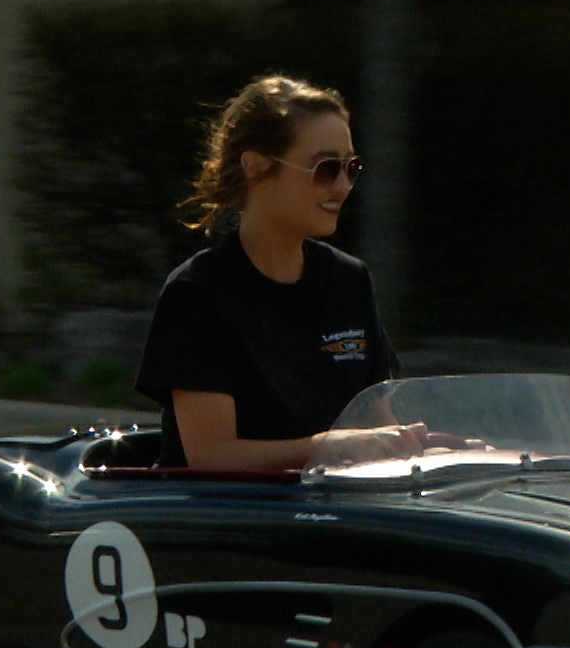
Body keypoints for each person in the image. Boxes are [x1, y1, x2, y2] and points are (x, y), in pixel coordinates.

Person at [134, 75, 422, 470]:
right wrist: (330, 446)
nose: (343, 186)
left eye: (351, 168)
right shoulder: (196, 293)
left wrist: (429, 447)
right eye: (325, 169)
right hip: (228, 508)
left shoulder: (350, 280)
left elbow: (379, 427)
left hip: (334, 504)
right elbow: (210, 456)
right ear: (256, 168)